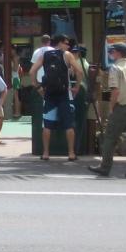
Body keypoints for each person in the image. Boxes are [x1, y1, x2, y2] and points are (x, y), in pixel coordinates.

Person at [89, 42, 126, 179]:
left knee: (110, 137)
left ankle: (105, 167)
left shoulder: (115, 68)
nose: (110, 54)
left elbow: (115, 91)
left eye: (112, 51)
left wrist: (111, 108)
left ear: (118, 53)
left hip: (122, 106)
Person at [31, 34, 83, 163]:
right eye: (66, 43)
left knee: (47, 125)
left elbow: (32, 71)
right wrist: (77, 87)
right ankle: (71, 153)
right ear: (59, 43)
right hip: (65, 94)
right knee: (69, 125)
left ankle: (45, 153)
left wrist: (37, 87)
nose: (68, 46)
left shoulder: (45, 55)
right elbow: (79, 71)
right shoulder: (67, 55)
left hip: (49, 94)